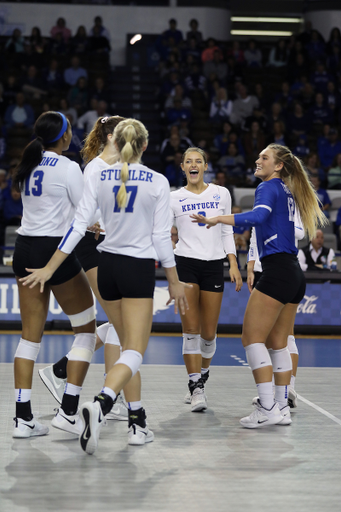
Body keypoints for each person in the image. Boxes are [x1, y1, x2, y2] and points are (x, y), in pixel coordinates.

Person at [20, 118, 190, 455]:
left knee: (120, 336)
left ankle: (137, 421)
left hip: (106, 263)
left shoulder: (98, 175)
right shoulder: (157, 181)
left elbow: (77, 226)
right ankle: (102, 403)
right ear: (143, 145)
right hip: (136, 267)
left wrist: (51, 267)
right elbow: (160, 237)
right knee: (133, 349)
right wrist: (174, 281)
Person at [191, 143, 326, 428]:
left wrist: (217, 219)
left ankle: (267, 407)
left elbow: (257, 217)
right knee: (278, 343)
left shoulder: (268, 187)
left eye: (265, 157)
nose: (257, 160)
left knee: (251, 339)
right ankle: (280, 405)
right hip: (293, 273)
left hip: (277, 272)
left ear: (278, 166)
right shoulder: (287, 190)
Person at [11, 111, 97, 439]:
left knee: (29, 339)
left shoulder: (27, 164)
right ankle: (69, 411)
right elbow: (84, 212)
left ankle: (22, 418)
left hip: (24, 249)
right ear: (63, 136)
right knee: (86, 333)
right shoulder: (69, 167)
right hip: (54, 252)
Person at [38, 115, 129, 422]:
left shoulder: (121, 167)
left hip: (114, 245)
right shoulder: (95, 168)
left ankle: (60, 370)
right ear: (112, 137)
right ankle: (109, 398)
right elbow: (85, 213)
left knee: (122, 321)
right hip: (93, 246)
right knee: (122, 323)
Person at [170, 147, 242, 412]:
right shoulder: (173, 197)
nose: (193, 165)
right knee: (191, 331)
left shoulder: (221, 193)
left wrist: (233, 262)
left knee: (208, 335)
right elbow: (161, 231)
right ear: (182, 167)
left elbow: (226, 231)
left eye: (198, 161)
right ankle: (195, 387)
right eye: (188, 161)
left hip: (213, 265)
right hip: (185, 263)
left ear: (205, 166)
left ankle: (202, 375)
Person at [247, 205, 305, 409]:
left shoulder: (290, 201)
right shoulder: (265, 197)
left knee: (285, 335)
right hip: (263, 268)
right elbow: (255, 232)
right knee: (270, 338)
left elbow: (300, 231)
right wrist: (250, 265)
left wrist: (275, 223)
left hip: (282, 268)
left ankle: (288, 391)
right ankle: (277, 394)